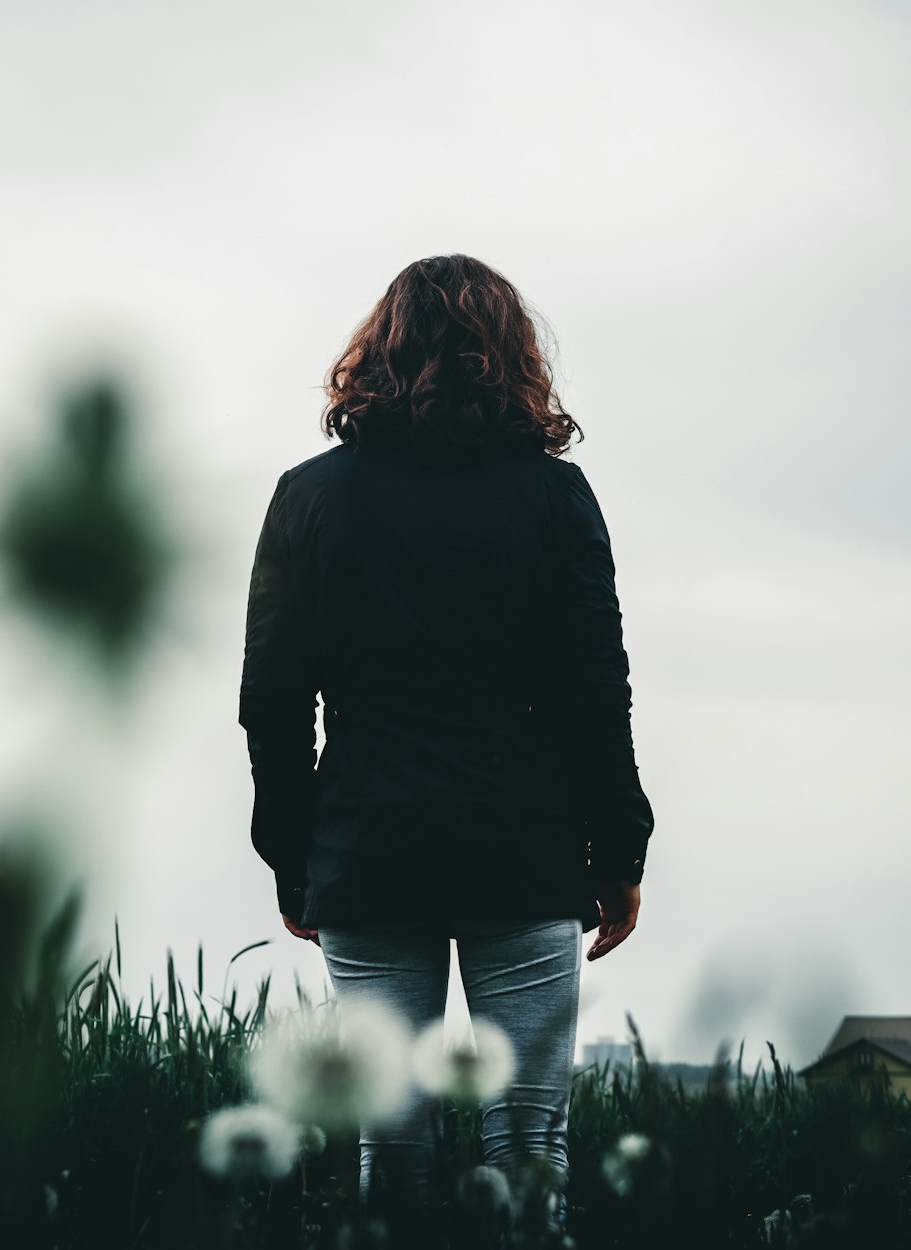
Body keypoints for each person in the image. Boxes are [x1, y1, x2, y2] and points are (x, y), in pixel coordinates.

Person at [238, 254, 654, 1232]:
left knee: (394, 1143)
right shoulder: (557, 500)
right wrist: (620, 850)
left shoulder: (307, 499)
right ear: (510, 358)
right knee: (526, 1145)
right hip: (525, 850)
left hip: (368, 852)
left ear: (374, 358)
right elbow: (597, 689)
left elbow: (270, 699)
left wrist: (296, 859)